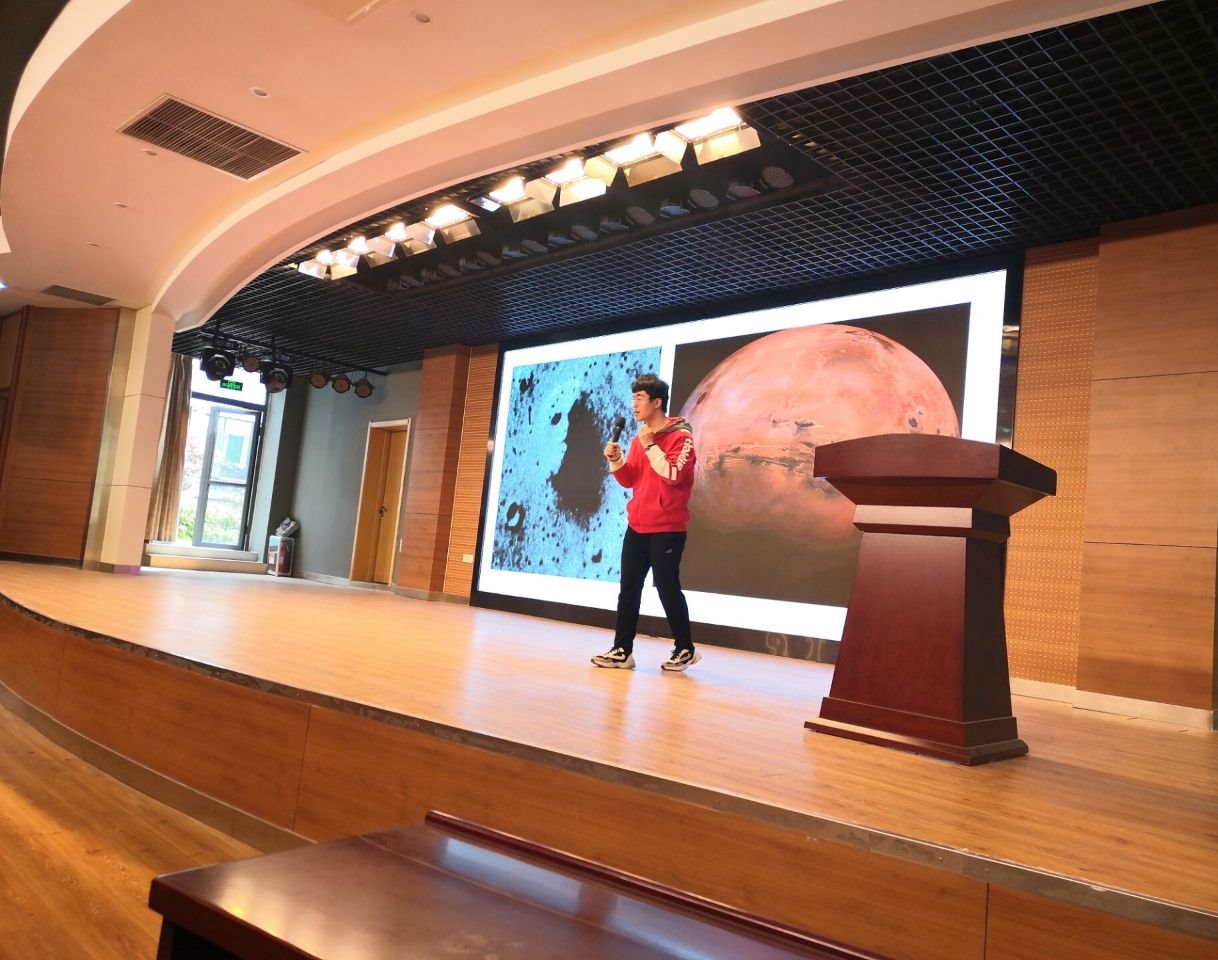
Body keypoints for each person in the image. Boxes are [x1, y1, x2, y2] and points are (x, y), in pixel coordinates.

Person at [592, 374, 700, 672]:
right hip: (637, 525)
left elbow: (673, 475)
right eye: (633, 398)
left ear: (657, 402)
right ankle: (622, 650)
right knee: (629, 588)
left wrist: (651, 446)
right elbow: (630, 480)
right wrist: (616, 460)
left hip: (667, 528)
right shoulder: (638, 439)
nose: (634, 404)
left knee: (667, 587)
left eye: (640, 398)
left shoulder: (682, 437)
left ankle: (685, 648)